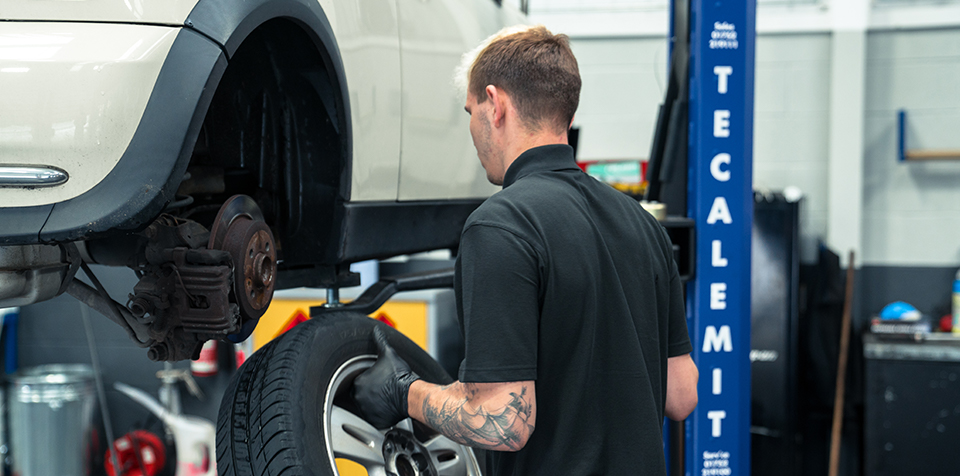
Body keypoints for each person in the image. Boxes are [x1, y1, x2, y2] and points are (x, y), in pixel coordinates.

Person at [352, 24, 698, 475]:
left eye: (470, 111)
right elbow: (682, 394)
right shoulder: (642, 225)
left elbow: (503, 423)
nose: (472, 131)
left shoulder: (502, 224)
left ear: (495, 105)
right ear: (565, 115)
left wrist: (406, 391)